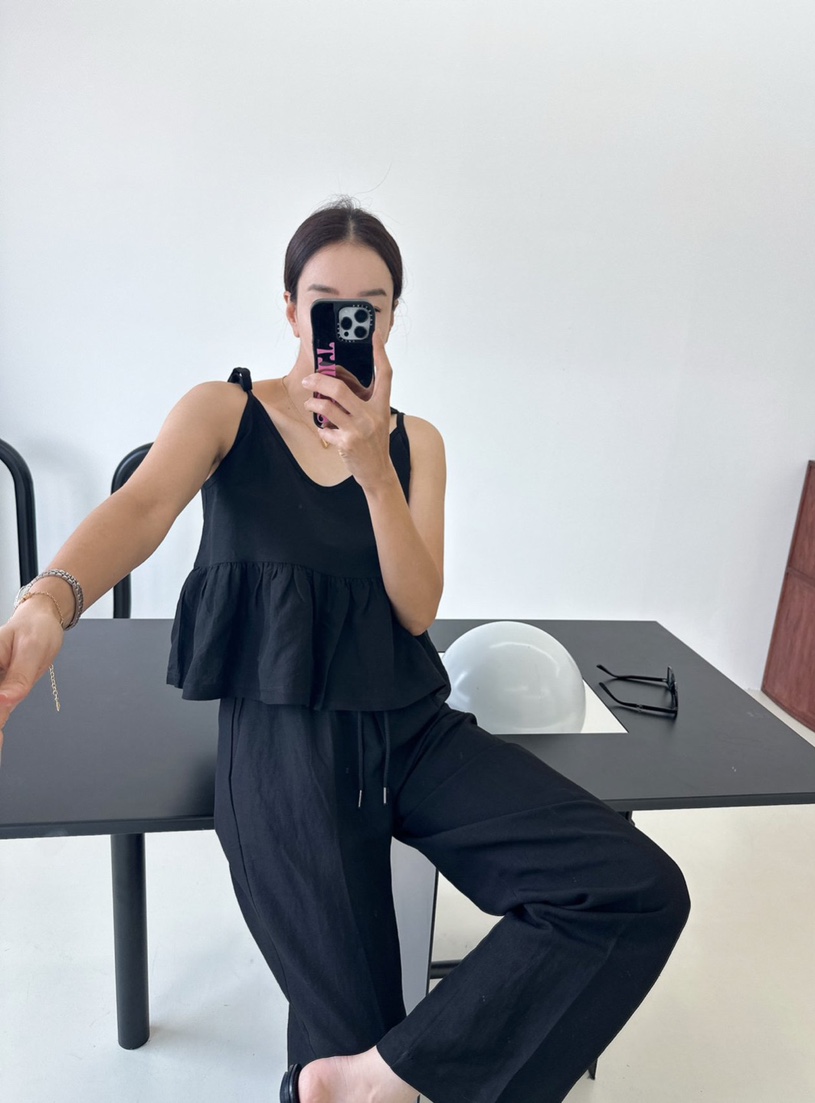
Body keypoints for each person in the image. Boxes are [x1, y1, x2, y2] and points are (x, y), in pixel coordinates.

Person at [0, 199, 690, 1103]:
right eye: (326, 302)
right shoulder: (225, 411)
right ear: (291, 307)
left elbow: (415, 606)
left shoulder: (418, 443)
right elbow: (142, 506)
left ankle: (385, 1079)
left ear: (392, 318)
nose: (346, 320)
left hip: (413, 730)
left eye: (370, 304)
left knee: (634, 886)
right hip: (285, 747)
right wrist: (49, 599)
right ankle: (371, 1078)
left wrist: (373, 468)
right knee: (350, 1040)